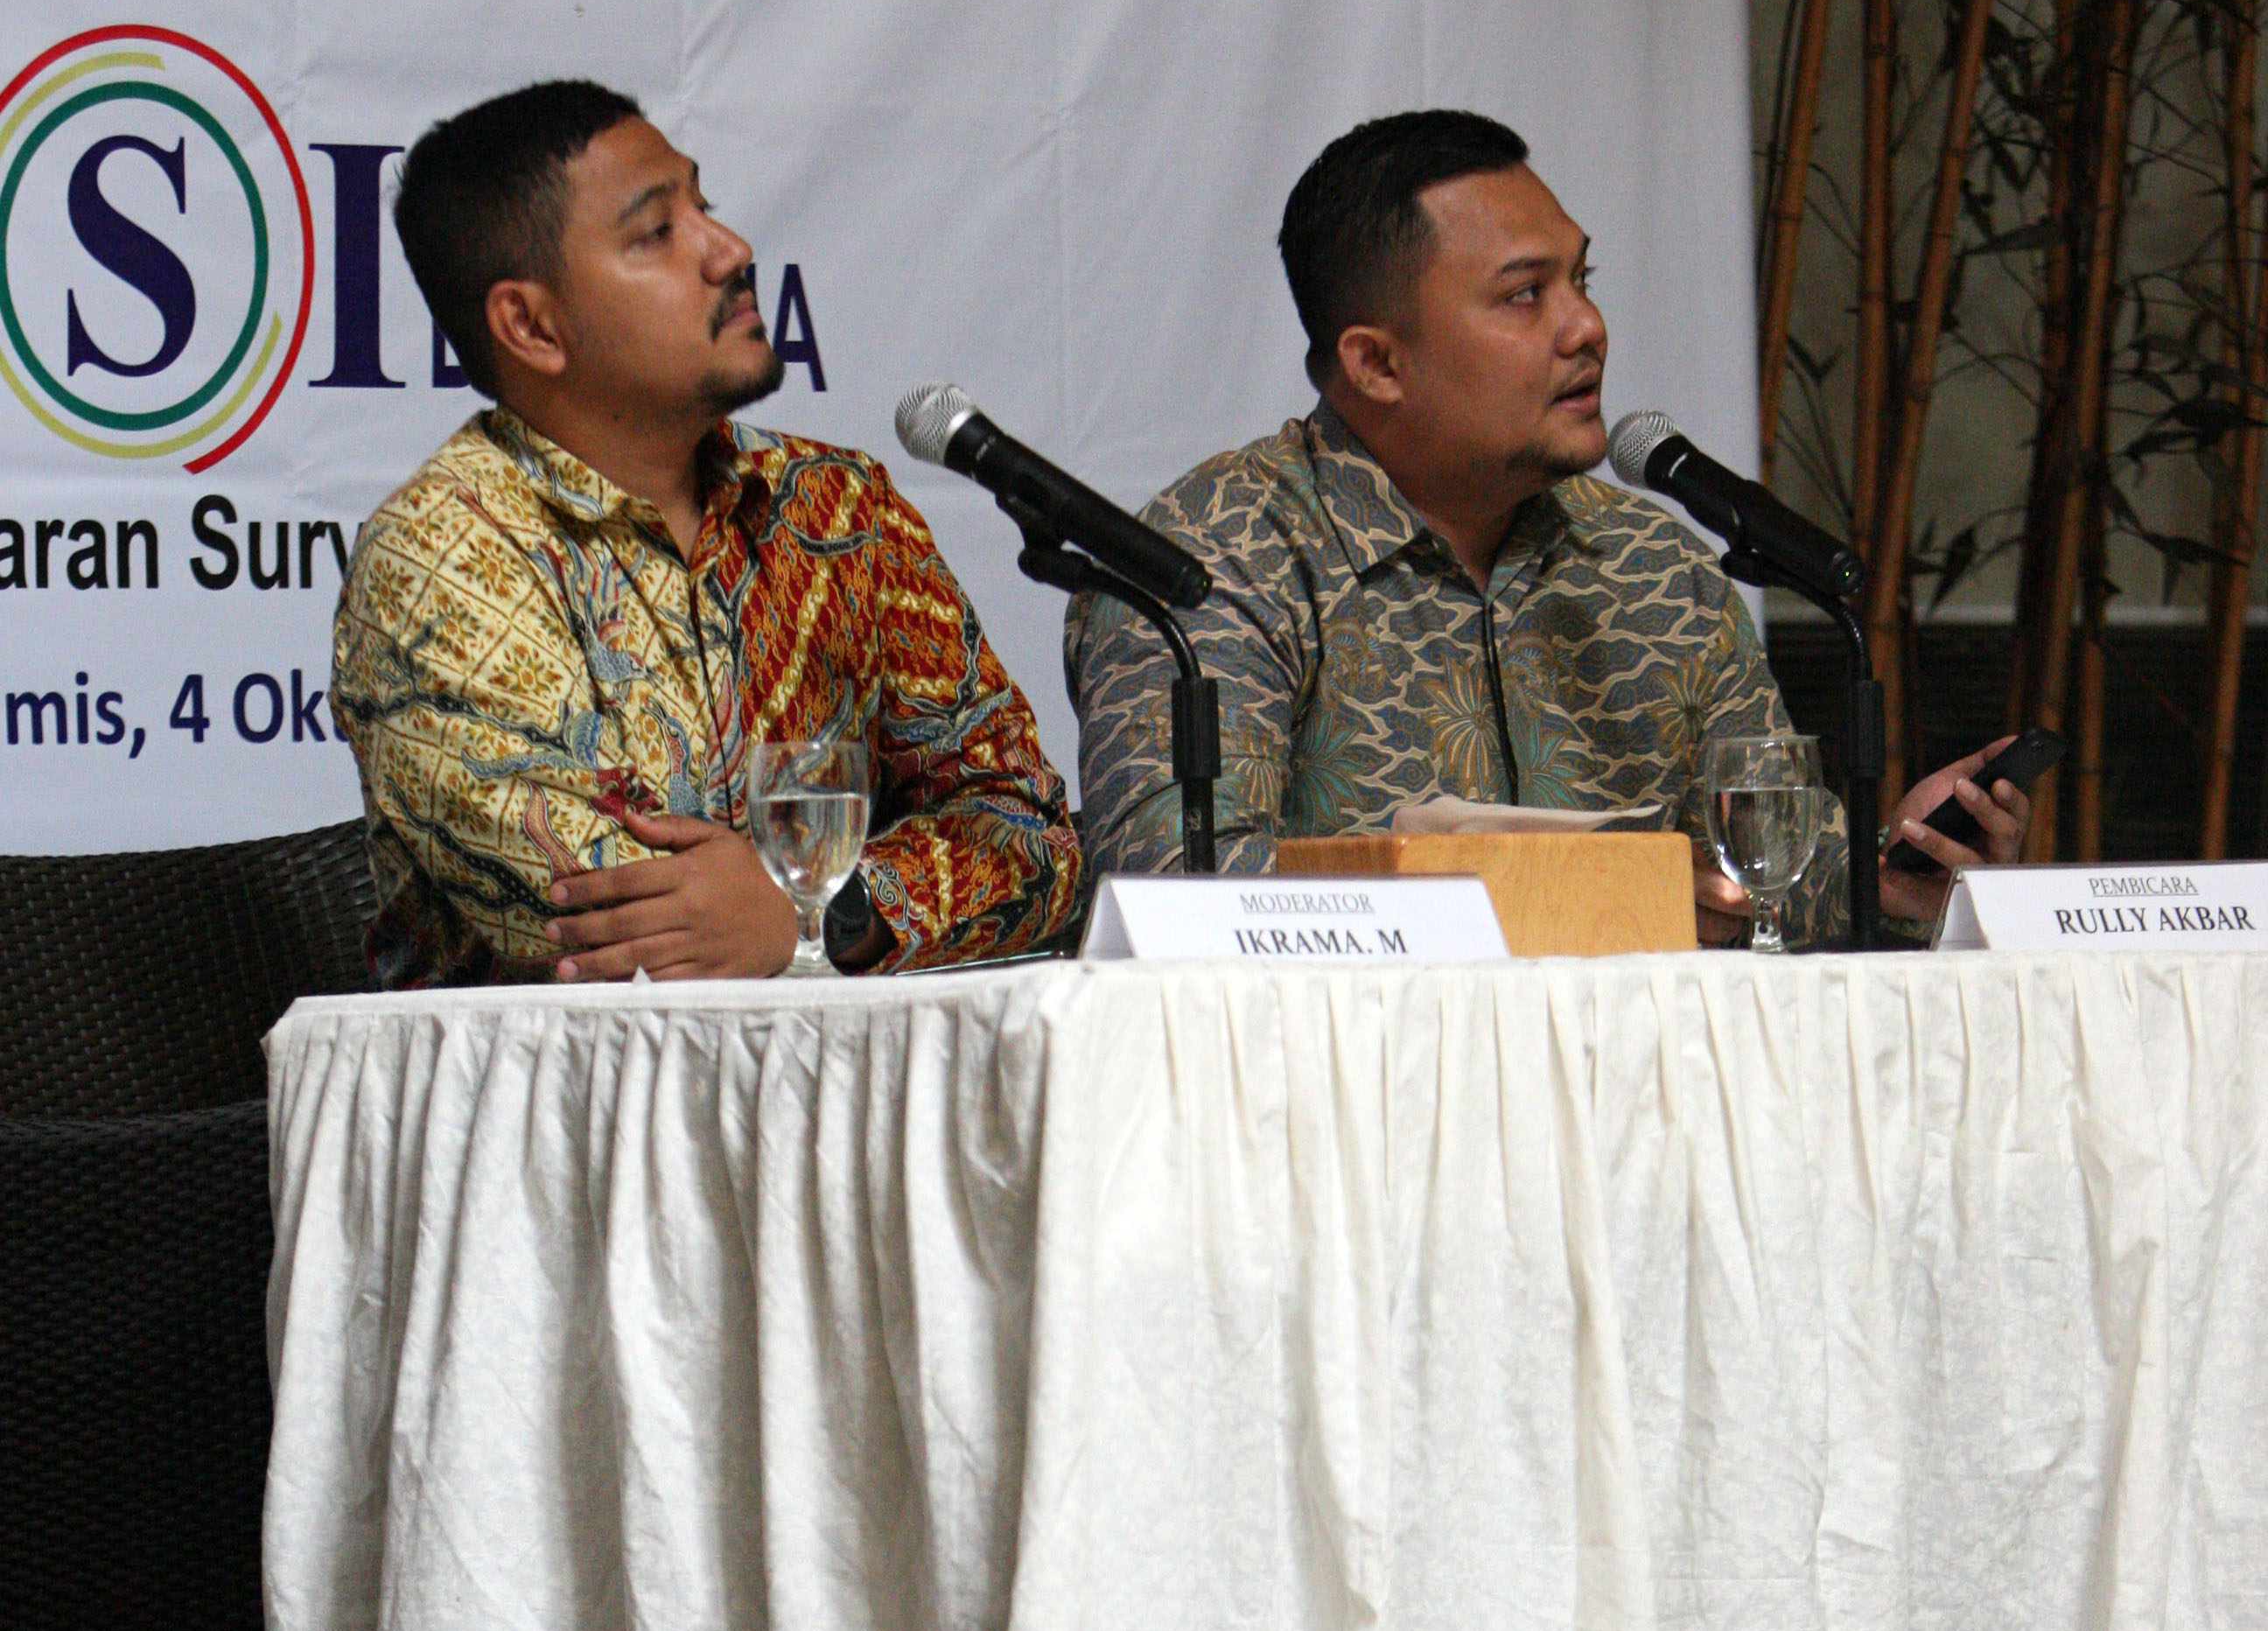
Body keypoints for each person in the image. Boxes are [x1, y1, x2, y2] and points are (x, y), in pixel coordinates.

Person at [1068, 108, 2029, 942]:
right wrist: (1609, 898)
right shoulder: (1213, 558)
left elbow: (1760, 884)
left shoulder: (1654, 568)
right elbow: (1179, 892)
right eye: (1526, 294)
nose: (1586, 327)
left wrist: (1883, 875)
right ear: (1376, 364)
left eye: (1582, 279)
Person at [332, 80, 1078, 986]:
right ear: (531, 325)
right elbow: (613, 923)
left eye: (705, 207)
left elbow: (1029, 836)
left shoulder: (840, 509)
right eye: (657, 232)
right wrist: (796, 907)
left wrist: (824, 917)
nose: (730, 251)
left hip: (858, 1070)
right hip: (570, 1079)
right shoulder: (440, 554)